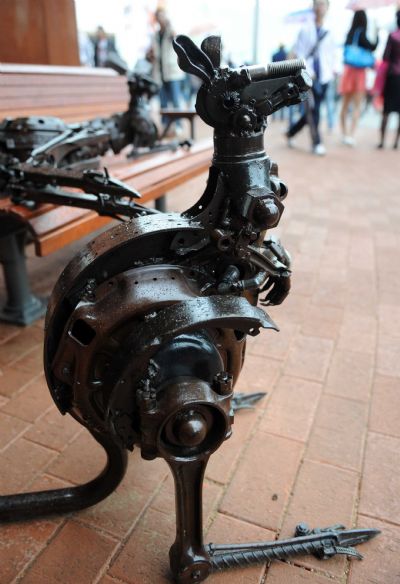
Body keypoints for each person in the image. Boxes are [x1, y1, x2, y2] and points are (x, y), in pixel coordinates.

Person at [286, 0, 335, 156]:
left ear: (327, 8)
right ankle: (317, 142)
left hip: (325, 76)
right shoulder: (305, 30)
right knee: (312, 109)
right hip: (308, 76)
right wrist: (308, 71)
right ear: (313, 7)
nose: (320, 7)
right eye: (317, 4)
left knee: (314, 111)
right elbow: (300, 54)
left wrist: (334, 71)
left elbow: (332, 54)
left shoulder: (330, 31)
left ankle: (291, 132)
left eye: (323, 4)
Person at [339, 10, 378, 146]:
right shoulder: (362, 33)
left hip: (348, 72)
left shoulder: (350, 34)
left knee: (344, 106)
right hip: (360, 73)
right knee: (357, 106)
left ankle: (344, 134)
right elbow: (372, 47)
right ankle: (350, 135)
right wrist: (377, 32)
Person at [150, 8, 185, 134]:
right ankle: (165, 126)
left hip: (172, 73)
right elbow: (154, 52)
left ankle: (179, 125)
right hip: (160, 73)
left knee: (176, 101)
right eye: (158, 16)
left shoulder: (171, 32)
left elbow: (179, 42)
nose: (160, 18)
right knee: (163, 102)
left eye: (162, 15)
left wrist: (170, 26)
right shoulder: (155, 35)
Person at [378, 10, 400, 149]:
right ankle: (396, 143)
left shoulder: (392, 36)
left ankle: (382, 141)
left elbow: (385, 56)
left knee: (386, 110)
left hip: (392, 77)